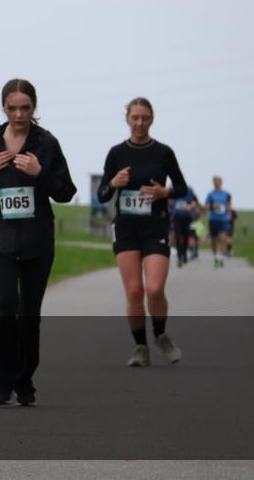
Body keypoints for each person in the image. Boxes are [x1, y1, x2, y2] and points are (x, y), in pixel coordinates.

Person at [0, 79, 76, 406]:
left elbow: (65, 192)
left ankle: (25, 381)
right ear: (3, 107)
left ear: (34, 108)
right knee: (5, 307)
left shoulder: (45, 142)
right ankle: (1, 382)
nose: (19, 114)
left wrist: (40, 172)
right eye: (12, 108)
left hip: (37, 243)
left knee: (29, 314)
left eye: (25, 108)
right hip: (1, 242)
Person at [97, 97, 187, 368]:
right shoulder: (116, 153)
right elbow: (102, 194)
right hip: (125, 227)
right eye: (135, 117)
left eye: (144, 118)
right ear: (127, 119)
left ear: (152, 119)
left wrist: (165, 192)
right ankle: (140, 347)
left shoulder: (163, 152)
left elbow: (182, 188)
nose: (139, 123)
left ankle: (160, 335)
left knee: (155, 288)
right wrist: (114, 182)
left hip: (155, 225)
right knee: (135, 291)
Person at [205, 176, 233, 267]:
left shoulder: (226, 194)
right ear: (213, 183)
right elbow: (206, 207)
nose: (216, 184)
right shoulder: (210, 194)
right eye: (215, 182)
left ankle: (220, 256)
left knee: (223, 238)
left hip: (224, 220)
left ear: (221, 183)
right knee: (213, 240)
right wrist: (213, 206)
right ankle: (216, 255)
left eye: (218, 182)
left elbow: (229, 205)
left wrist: (229, 214)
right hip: (213, 220)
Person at [171, 186, 199, 267]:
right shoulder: (172, 188)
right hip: (177, 216)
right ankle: (180, 256)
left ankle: (184, 253)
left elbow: (194, 201)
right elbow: (169, 200)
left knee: (186, 236)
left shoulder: (189, 189)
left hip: (187, 217)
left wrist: (190, 207)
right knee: (177, 235)